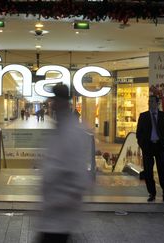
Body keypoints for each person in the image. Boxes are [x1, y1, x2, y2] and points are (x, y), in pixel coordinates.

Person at [37, 84, 92, 243]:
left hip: (60, 214)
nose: (51, 104)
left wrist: (59, 199)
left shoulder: (74, 131)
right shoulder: (59, 127)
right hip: (51, 213)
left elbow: (80, 176)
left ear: (63, 102)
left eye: (54, 100)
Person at [136, 95, 164, 203]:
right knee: (148, 172)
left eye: (152, 101)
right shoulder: (143, 116)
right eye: (149, 101)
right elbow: (139, 133)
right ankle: (152, 193)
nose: (150, 103)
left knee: (162, 171)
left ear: (157, 103)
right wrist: (142, 144)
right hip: (148, 147)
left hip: (160, 146)